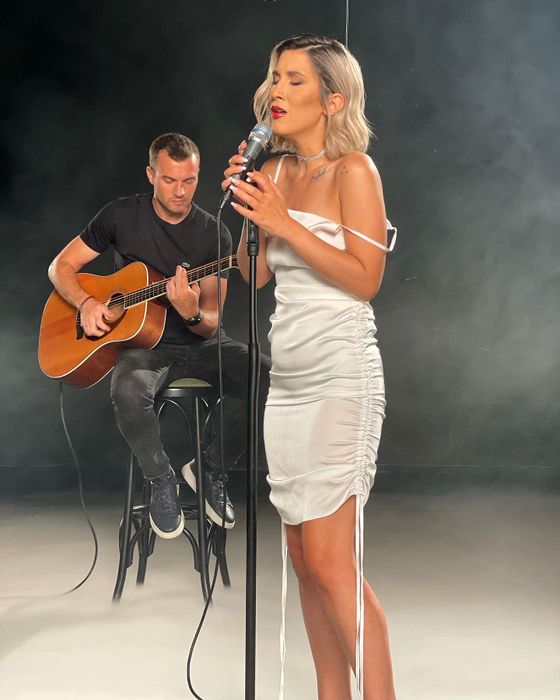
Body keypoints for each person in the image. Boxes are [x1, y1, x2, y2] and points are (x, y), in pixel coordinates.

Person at [223, 36, 397, 699]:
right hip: (289, 385)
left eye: (294, 80)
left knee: (330, 560)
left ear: (333, 100)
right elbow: (255, 274)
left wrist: (285, 221)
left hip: (340, 377)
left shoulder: (355, 171)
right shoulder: (275, 170)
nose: (276, 90)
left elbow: (366, 277)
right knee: (302, 559)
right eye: (274, 77)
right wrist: (253, 208)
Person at [49, 132, 270, 539]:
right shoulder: (120, 216)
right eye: (169, 180)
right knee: (128, 388)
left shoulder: (213, 233)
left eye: (189, 181)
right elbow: (60, 266)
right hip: (143, 348)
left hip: (202, 345)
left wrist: (190, 312)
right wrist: (86, 303)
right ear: (151, 174)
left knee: (271, 377)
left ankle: (210, 468)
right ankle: (161, 480)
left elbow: (211, 321)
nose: (180, 191)